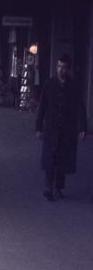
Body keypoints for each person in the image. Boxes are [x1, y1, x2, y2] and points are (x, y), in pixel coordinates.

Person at [35, 54, 87, 201]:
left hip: (67, 129)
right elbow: (42, 106)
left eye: (63, 67)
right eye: (58, 66)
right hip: (51, 127)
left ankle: (58, 187)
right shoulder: (49, 84)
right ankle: (48, 188)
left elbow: (80, 107)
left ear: (68, 69)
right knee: (50, 158)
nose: (60, 69)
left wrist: (82, 127)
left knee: (62, 160)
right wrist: (38, 127)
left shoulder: (74, 86)